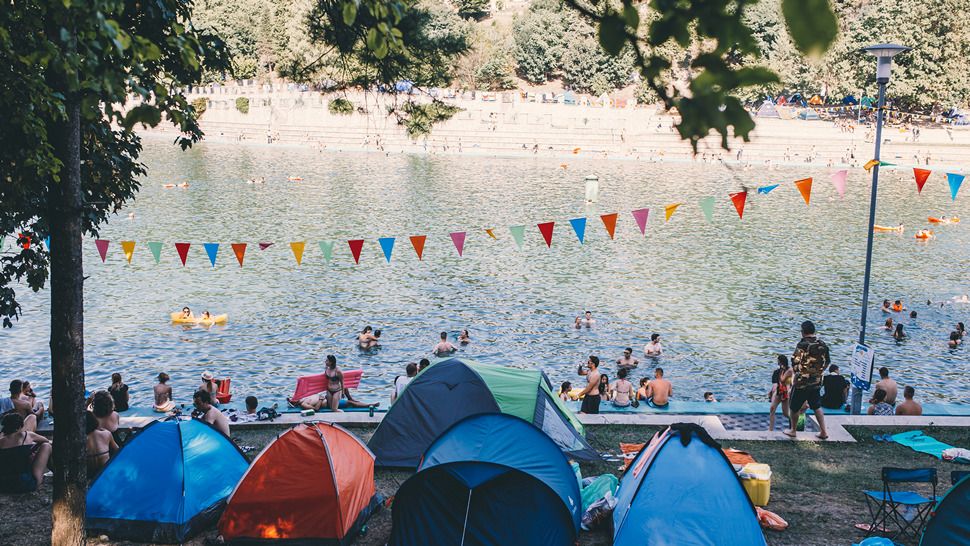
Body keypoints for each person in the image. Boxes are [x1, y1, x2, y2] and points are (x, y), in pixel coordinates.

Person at [784, 320, 830, 440]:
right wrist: (818, 372)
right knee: (816, 406)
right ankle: (823, 431)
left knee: (794, 407)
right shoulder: (823, 344)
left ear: (803, 332)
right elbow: (827, 362)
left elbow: (794, 362)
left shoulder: (802, 345)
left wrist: (799, 372)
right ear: (814, 331)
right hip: (816, 381)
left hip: (802, 382)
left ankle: (793, 430)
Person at [0, 413, 52, 493]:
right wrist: (32, 448)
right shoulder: (27, 435)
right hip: (25, 484)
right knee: (46, 446)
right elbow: (45, 440)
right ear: (19, 427)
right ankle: (43, 478)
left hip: (3, 485)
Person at [769, 355, 792, 431]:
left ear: (780, 361)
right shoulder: (777, 372)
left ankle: (793, 422)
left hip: (786, 393)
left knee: (785, 413)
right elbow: (775, 384)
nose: (777, 362)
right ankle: (770, 429)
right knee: (772, 409)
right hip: (779, 392)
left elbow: (791, 383)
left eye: (778, 360)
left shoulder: (790, 371)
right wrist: (771, 392)